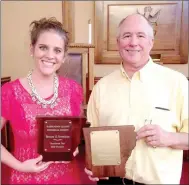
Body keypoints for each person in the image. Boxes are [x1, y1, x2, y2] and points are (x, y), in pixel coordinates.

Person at [85, 14, 188, 184]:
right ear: (118, 42)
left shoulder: (177, 83)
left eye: (140, 35)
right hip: (111, 181)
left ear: (151, 42)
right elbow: (94, 141)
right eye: (127, 36)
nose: (133, 42)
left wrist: (169, 137)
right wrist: (93, 165)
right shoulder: (101, 87)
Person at [1, 17, 84, 184]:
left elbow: (74, 134)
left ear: (64, 56)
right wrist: (20, 166)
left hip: (66, 177)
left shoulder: (74, 90)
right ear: (32, 49)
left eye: (57, 50)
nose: (50, 55)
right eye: (43, 47)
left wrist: (73, 147)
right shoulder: (9, 92)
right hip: (25, 177)